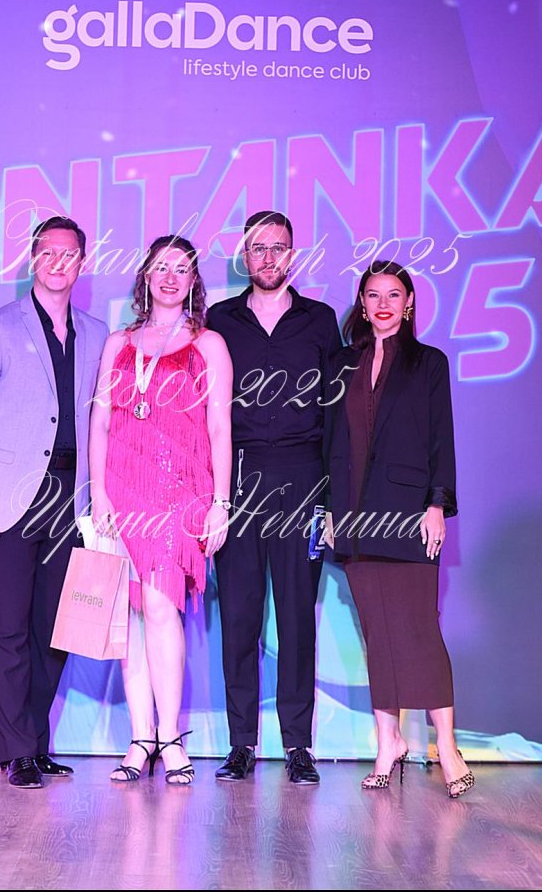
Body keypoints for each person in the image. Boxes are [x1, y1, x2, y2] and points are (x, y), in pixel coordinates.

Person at [0, 216, 107, 788]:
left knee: (54, 628)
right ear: (32, 258)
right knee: (6, 628)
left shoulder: (97, 333)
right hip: (7, 496)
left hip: (70, 498)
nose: (58, 262)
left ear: (83, 262)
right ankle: (15, 749)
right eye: (48, 252)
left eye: (69, 254)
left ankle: (35, 743)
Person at [325, 260, 475, 798]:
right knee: (378, 635)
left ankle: (446, 747)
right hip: (354, 516)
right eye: (373, 295)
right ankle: (388, 742)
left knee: (419, 632)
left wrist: (437, 503)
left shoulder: (429, 362)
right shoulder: (341, 363)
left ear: (409, 303)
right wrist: (329, 510)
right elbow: (332, 443)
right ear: (362, 304)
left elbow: (441, 438)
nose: (383, 304)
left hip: (409, 513)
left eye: (394, 294)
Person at [89, 235, 233, 785]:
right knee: (130, 613)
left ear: (194, 280)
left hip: (181, 494)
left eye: (181, 269)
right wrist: (99, 493)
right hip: (122, 491)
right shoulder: (118, 343)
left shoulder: (209, 344)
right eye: (160, 267)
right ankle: (139, 739)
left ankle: (170, 738)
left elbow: (220, 427)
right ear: (145, 276)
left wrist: (221, 503)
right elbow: (101, 422)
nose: (170, 277)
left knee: (160, 606)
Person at [206, 211, 342, 784]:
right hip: (237, 480)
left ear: (293, 254)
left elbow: (336, 414)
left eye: (278, 247)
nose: (268, 257)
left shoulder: (320, 320)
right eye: (258, 248)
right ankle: (241, 743)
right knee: (239, 617)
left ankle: (297, 745)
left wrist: (331, 500)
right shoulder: (219, 320)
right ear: (244, 255)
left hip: (302, 479)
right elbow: (204, 414)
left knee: (296, 619)